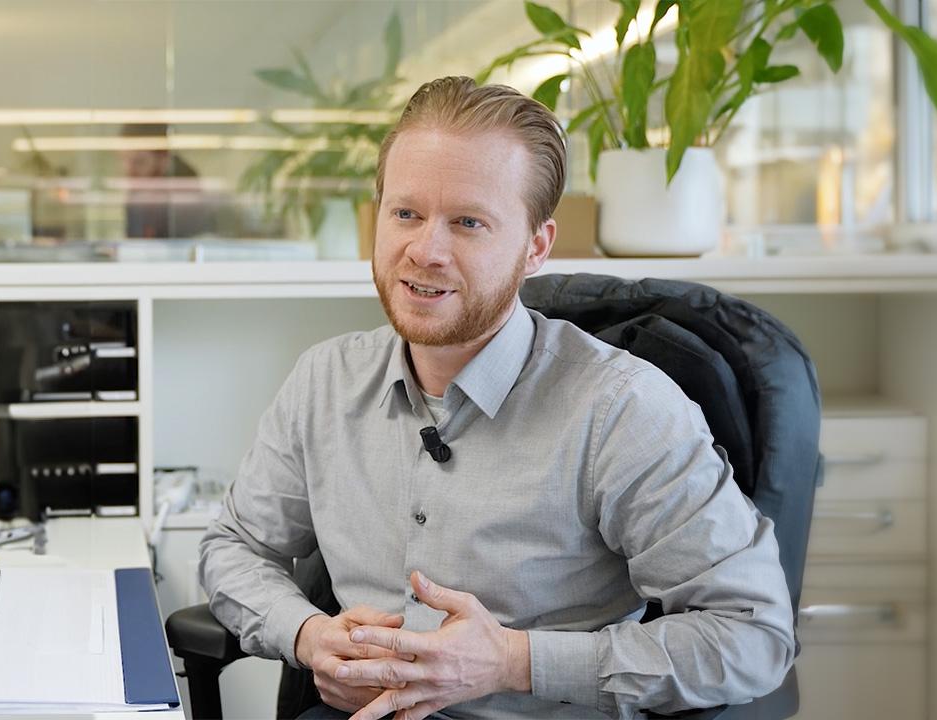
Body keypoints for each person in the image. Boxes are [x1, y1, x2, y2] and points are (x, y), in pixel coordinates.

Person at [198, 76, 794, 720]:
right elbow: (233, 546)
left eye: (468, 222)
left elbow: (751, 635)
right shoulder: (326, 380)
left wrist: (511, 661)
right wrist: (309, 638)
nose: (425, 251)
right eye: (406, 214)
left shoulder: (623, 409)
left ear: (536, 246)